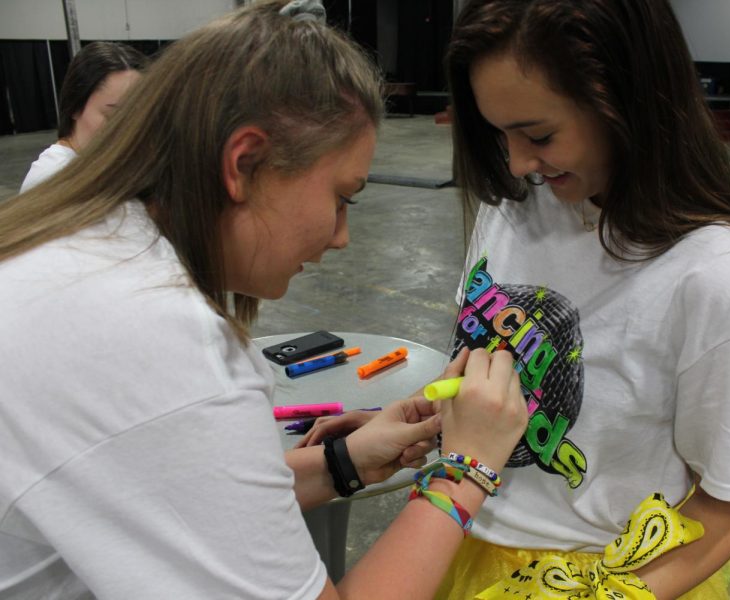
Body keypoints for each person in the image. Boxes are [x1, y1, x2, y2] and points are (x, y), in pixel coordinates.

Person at [0, 2, 527, 599]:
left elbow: (187, 491)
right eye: (342, 196)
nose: (341, 236)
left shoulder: (83, 245)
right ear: (244, 163)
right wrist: (464, 469)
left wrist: (341, 462)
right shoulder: (157, 336)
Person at [433, 0, 730, 598]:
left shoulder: (717, 279)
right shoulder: (514, 206)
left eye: (540, 135)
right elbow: (487, 371)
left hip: (602, 576)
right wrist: (421, 422)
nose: (520, 164)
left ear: (625, 99)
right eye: (500, 135)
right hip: (463, 532)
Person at [20, 41, 146, 192]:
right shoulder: (53, 178)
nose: (129, 128)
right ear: (76, 106)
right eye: (113, 117)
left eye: (137, 115)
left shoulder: (104, 163)